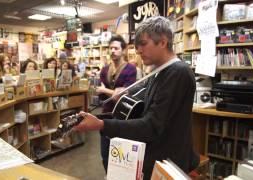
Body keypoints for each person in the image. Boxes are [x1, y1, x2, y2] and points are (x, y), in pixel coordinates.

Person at [74, 16, 199, 179]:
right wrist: (124, 94)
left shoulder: (177, 73)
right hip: (155, 156)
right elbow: (142, 103)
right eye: (137, 45)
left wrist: (101, 124)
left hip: (168, 162)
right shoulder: (158, 71)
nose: (138, 50)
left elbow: (152, 126)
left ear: (162, 42)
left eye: (143, 44)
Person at [96, 35, 137, 173]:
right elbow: (101, 96)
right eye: (111, 48)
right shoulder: (104, 70)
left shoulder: (130, 69)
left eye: (116, 48)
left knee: (120, 154)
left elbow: (123, 96)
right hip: (106, 115)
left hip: (122, 116)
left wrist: (104, 89)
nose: (113, 50)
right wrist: (108, 92)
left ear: (123, 50)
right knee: (105, 153)